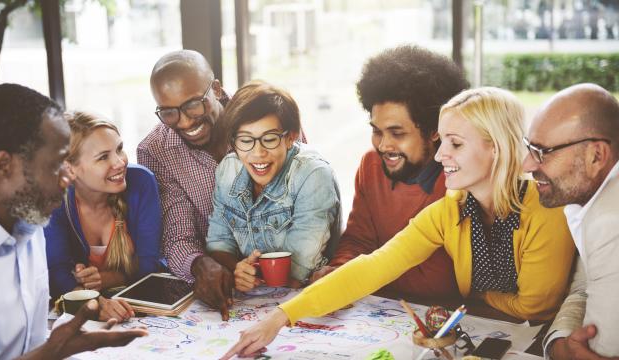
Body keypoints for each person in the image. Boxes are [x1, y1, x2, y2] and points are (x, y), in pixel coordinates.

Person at [221, 87, 576, 359]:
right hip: (484, 333)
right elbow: (374, 267)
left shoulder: (545, 207)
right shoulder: (450, 208)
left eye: (454, 143)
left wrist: (474, 299)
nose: (440, 155)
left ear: (496, 148)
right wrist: (280, 318)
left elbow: (534, 307)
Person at [0, 83, 146, 360]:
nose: (68, 179)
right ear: (3, 165)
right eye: (57, 165)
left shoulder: (31, 228)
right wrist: (47, 354)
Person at [310, 45, 469, 299]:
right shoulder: (371, 166)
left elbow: (452, 280)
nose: (383, 145)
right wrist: (338, 270)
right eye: (377, 131)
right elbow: (359, 239)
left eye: (397, 133)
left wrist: (359, 276)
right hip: (381, 312)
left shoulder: (460, 179)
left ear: (434, 130)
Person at [206, 81, 341, 291]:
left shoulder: (312, 174)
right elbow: (218, 244)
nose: (258, 153)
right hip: (253, 300)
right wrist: (238, 269)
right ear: (233, 142)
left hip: (306, 294)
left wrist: (249, 273)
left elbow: (298, 270)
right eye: (245, 140)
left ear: (291, 137)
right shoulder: (227, 171)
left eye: (269, 139)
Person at [522, 84, 619, 358]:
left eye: (542, 152)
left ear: (596, 156)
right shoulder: (587, 198)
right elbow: (584, 286)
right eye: (529, 147)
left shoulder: (611, 222)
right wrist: (559, 342)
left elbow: (599, 352)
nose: (526, 165)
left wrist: (562, 349)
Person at [138, 50, 235, 320]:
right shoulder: (156, 150)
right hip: (224, 287)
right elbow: (177, 237)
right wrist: (199, 264)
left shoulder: (264, 113)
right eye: (169, 112)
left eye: (193, 104)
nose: (185, 121)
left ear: (215, 89)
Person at [45, 111, 162, 321]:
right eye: (103, 157)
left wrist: (105, 279)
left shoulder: (142, 182)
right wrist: (95, 302)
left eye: (119, 149)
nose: (120, 162)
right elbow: (56, 272)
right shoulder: (54, 199)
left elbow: (149, 263)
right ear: (69, 169)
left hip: (140, 304)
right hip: (89, 311)